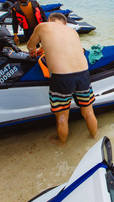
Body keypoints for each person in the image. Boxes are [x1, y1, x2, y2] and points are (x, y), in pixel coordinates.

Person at [27, 12, 97, 144]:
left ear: (49, 20)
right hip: (83, 74)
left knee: (62, 117)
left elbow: (30, 46)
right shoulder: (72, 31)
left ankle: (62, 145)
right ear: (65, 24)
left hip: (62, 78)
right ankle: (94, 138)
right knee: (88, 113)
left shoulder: (43, 26)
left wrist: (33, 50)